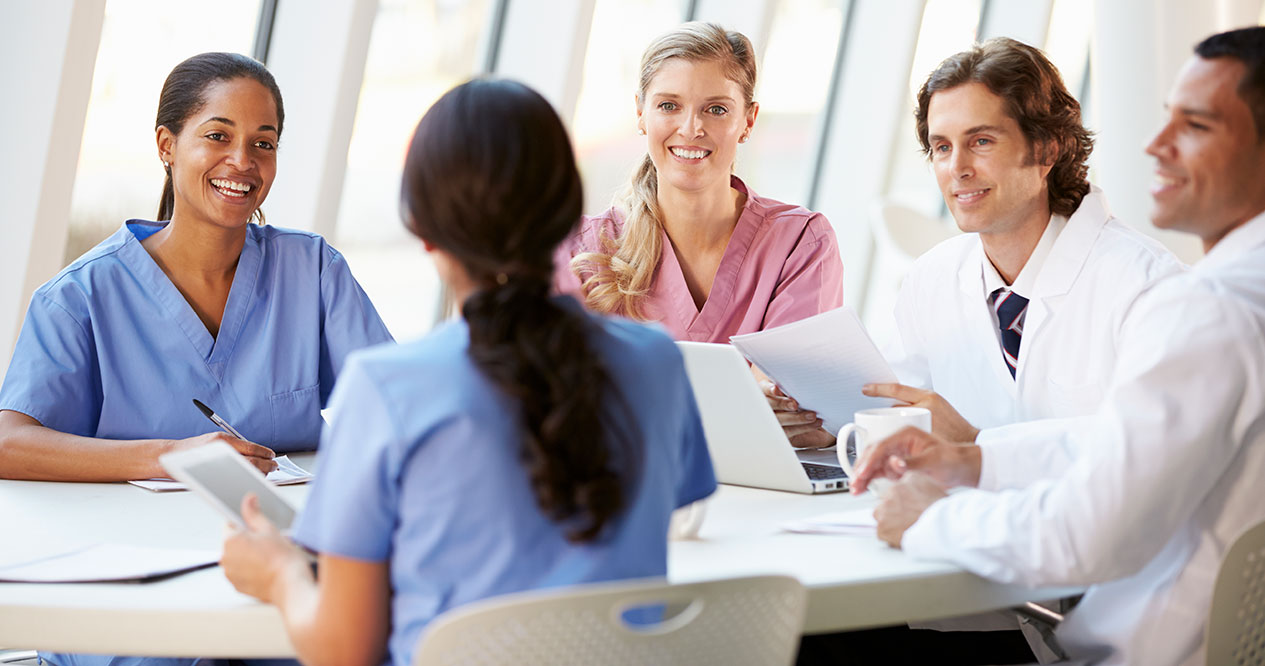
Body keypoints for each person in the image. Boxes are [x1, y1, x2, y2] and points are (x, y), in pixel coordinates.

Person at [220, 78, 717, 666]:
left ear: (424, 231)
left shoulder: (388, 389)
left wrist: (279, 573)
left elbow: (343, 648)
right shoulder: (655, 361)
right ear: (564, 214)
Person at [852, 26, 1265, 666]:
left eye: (1198, 126)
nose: (1155, 146)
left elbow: (1088, 534)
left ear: (1046, 151)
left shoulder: (1203, 307)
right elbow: (1119, 442)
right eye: (940, 146)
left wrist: (930, 521)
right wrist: (976, 457)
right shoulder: (1239, 291)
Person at [0, 52, 392, 665]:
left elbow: (393, 407)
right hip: (133, 587)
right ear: (167, 144)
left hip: (275, 569)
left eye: (264, 143)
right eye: (218, 135)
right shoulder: (82, 296)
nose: (243, 161)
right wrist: (171, 457)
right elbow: (7, 443)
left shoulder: (313, 271)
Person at [772, 37, 1183, 449]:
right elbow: (899, 408)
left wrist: (978, 445)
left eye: (981, 141)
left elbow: (1155, 453)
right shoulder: (932, 278)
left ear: (1046, 149)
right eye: (942, 147)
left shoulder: (1147, 286)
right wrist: (824, 428)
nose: (957, 169)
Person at [554, 22, 843, 343]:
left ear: (748, 121)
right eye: (668, 106)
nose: (691, 128)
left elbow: (782, 389)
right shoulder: (585, 251)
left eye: (716, 109)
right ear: (640, 112)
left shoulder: (799, 245)